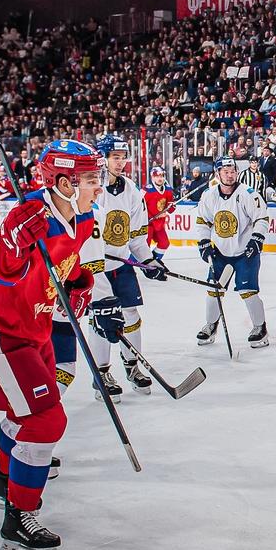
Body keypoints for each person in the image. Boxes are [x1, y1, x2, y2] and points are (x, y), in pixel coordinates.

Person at [0, 140, 118, 550]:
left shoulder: (79, 216)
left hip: (33, 324)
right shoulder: (30, 216)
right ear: (63, 182)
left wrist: (79, 286)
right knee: (45, 419)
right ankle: (18, 521)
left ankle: (0, 479)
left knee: (29, 410)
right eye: (91, 180)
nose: (99, 187)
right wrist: (10, 244)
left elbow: (68, 265)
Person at [92, 135, 166, 401]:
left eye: (123, 157)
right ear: (102, 158)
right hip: (94, 268)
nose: (121, 162)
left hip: (120, 266)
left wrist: (148, 261)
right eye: (115, 157)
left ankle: (131, 366)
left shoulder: (132, 190)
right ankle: (101, 373)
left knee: (131, 315)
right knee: (101, 317)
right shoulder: (91, 189)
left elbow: (136, 236)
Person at [195, 157, 271, 349]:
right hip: (220, 253)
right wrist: (204, 242)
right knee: (213, 291)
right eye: (226, 172)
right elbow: (203, 221)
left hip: (245, 252)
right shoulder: (209, 195)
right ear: (217, 173)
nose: (230, 175)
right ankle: (211, 325)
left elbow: (261, 218)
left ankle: (260, 328)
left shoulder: (248, 194)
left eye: (233, 171)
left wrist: (256, 239)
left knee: (248, 292)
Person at [143, 166, 176, 261]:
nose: (160, 178)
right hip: (147, 224)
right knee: (144, 247)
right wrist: (151, 216)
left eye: (162, 176)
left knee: (164, 243)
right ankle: (128, 267)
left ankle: (154, 261)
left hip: (159, 225)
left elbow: (170, 209)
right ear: (152, 177)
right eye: (157, 176)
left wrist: (172, 206)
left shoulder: (168, 190)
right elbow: (139, 208)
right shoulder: (147, 191)